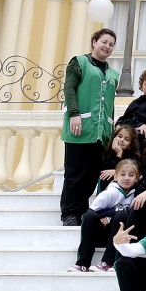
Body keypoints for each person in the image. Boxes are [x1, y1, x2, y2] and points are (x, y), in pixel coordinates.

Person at [60, 28, 120, 226]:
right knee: (74, 173)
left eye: (111, 44)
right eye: (104, 42)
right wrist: (74, 114)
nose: (107, 47)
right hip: (80, 127)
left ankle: (82, 210)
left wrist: (111, 133)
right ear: (94, 42)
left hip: (101, 132)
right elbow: (69, 89)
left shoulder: (113, 74)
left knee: (91, 175)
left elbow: (109, 104)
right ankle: (69, 213)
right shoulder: (79, 63)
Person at [69, 158, 140, 272]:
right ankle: (82, 262)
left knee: (121, 216)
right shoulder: (109, 193)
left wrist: (111, 216)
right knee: (89, 217)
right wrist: (107, 216)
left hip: (117, 233)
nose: (126, 178)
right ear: (116, 176)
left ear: (137, 178)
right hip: (99, 232)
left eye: (131, 175)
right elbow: (91, 212)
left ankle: (107, 262)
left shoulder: (135, 195)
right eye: (123, 174)